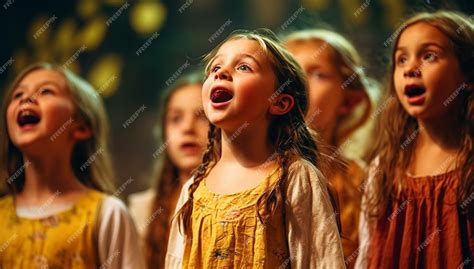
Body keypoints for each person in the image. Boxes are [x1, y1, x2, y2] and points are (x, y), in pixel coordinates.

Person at [166, 29, 345, 268]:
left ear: (280, 102)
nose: (221, 73)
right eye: (215, 67)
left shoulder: (295, 179)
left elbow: (321, 261)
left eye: (243, 67)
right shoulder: (193, 188)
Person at [356, 11, 474, 268]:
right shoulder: (384, 168)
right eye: (401, 60)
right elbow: (367, 252)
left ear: (467, 76)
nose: (410, 69)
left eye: (429, 56)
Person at [0, 63, 145, 268]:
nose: (26, 98)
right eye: (17, 95)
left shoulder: (108, 214)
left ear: (81, 127)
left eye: (46, 91)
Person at [284, 29, 379, 268]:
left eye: (317, 74)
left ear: (349, 100)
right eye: (289, 72)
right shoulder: (249, 169)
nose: (299, 83)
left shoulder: (362, 181)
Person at [128, 70, 209, 268]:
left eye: (202, 116)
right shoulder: (142, 209)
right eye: (176, 118)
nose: (188, 128)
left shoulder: (238, 202)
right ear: (163, 133)